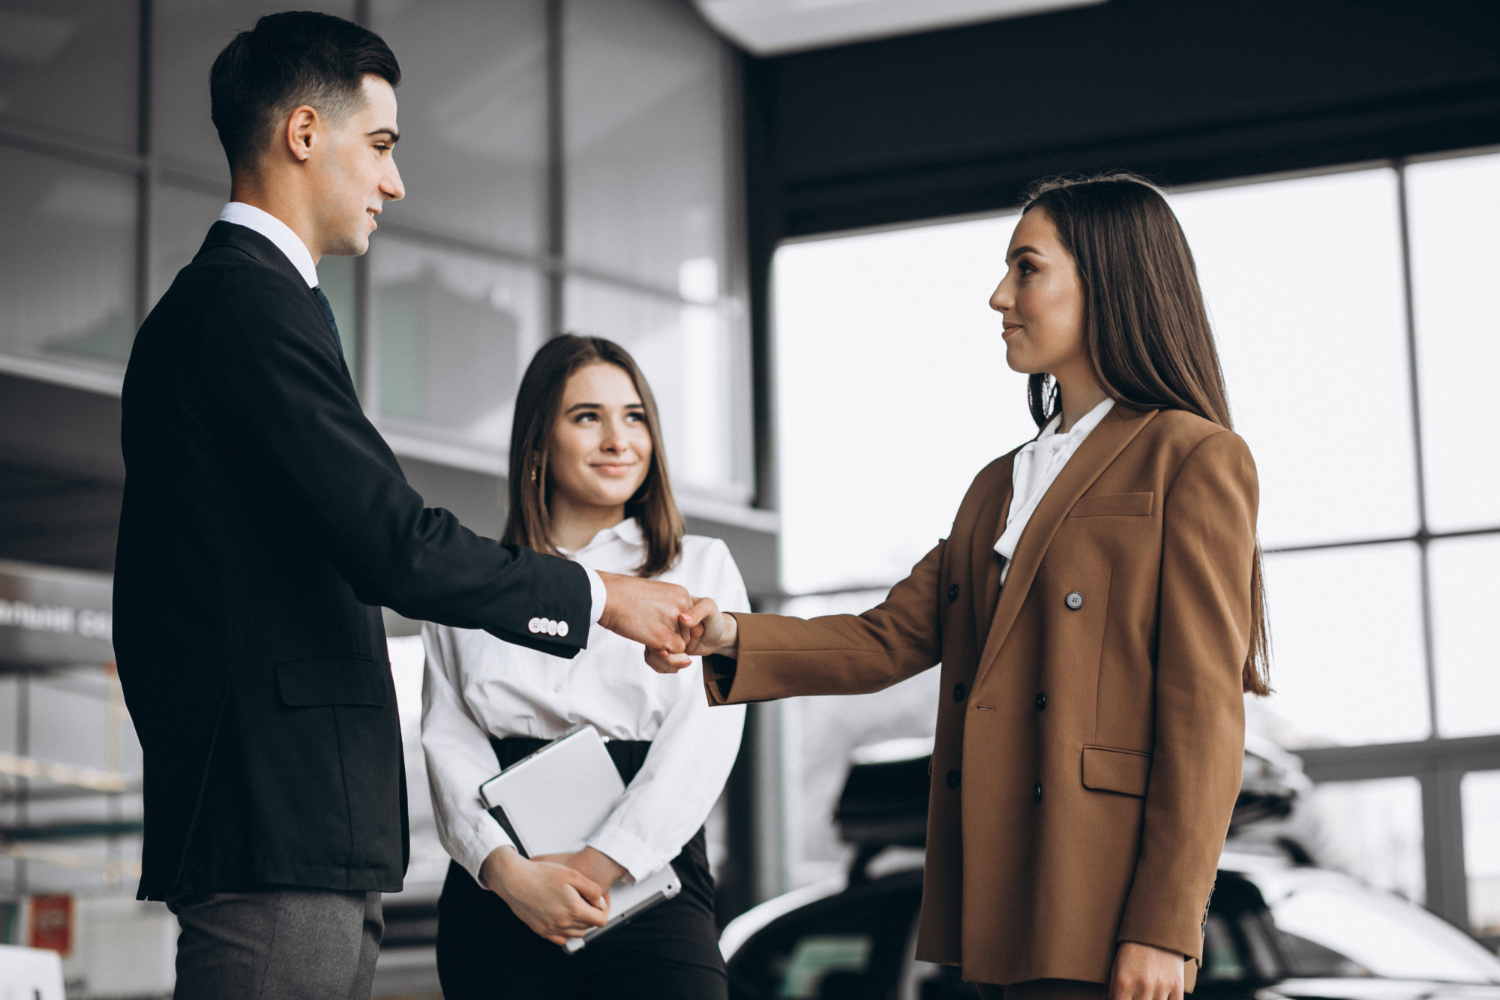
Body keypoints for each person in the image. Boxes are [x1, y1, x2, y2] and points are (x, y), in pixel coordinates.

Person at [113, 13, 696, 998]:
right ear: (305, 133)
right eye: (380, 145)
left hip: (288, 823)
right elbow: (394, 544)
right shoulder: (245, 305)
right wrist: (604, 597)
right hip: (273, 827)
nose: (394, 181)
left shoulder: (250, 304)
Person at [660, 174, 1269, 1000]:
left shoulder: (1191, 457)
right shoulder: (997, 485)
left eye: (1026, 269)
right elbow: (888, 636)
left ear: (1110, 280)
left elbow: (1202, 717)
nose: (999, 297)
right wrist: (728, 633)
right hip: (1001, 902)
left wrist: (1164, 925)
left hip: (1109, 907)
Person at [422, 335, 747, 999]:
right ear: (537, 443)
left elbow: (706, 739)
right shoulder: (469, 580)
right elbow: (446, 745)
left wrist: (600, 865)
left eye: (634, 417)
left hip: (648, 874)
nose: (618, 439)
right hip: (501, 889)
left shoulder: (702, 567)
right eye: (586, 416)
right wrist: (511, 874)